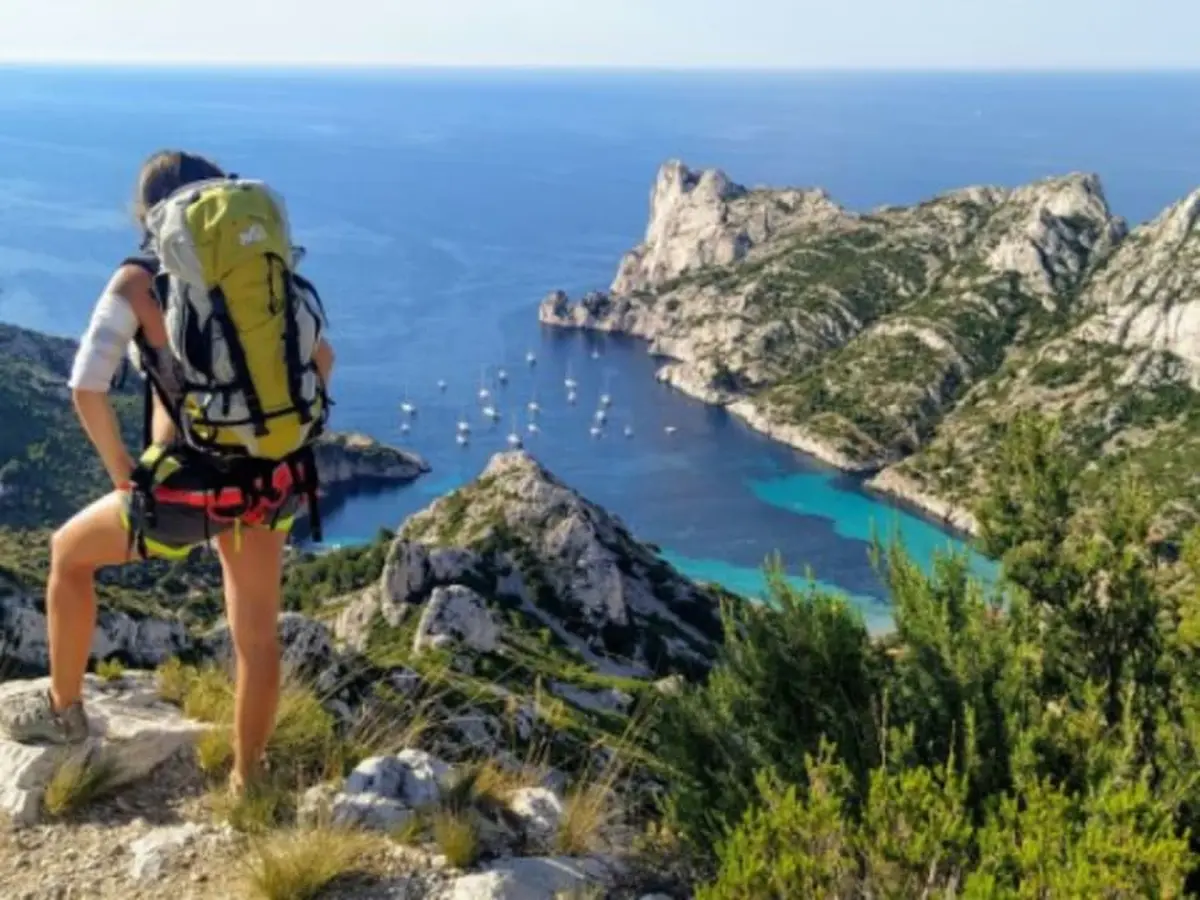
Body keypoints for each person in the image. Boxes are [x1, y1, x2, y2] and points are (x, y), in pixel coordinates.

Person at [0, 150, 334, 796]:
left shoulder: (137, 280)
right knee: (257, 639)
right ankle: (249, 780)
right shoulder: (261, 272)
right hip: (270, 482)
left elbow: (86, 387)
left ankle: (65, 714)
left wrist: (125, 474)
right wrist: (268, 433)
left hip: (184, 490)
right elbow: (323, 357)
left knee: (67, 554)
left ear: (149, 214)